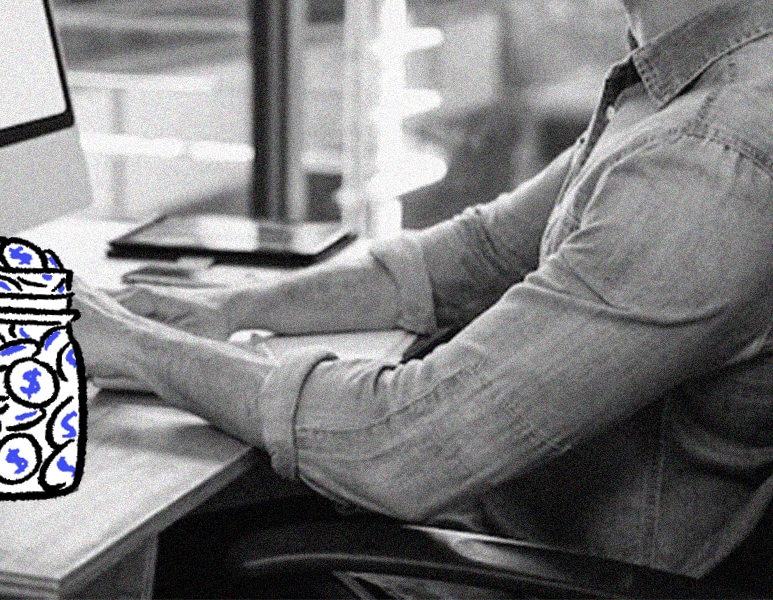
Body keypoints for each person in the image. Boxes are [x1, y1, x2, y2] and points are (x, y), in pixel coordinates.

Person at [72, 0, 773, 586]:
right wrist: (232, 309)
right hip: (486, 525)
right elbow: (476, 255)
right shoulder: (678, 88)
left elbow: (405, 447)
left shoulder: (709, 157)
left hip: (519, 572)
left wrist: (140, 351)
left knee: (130, 555)